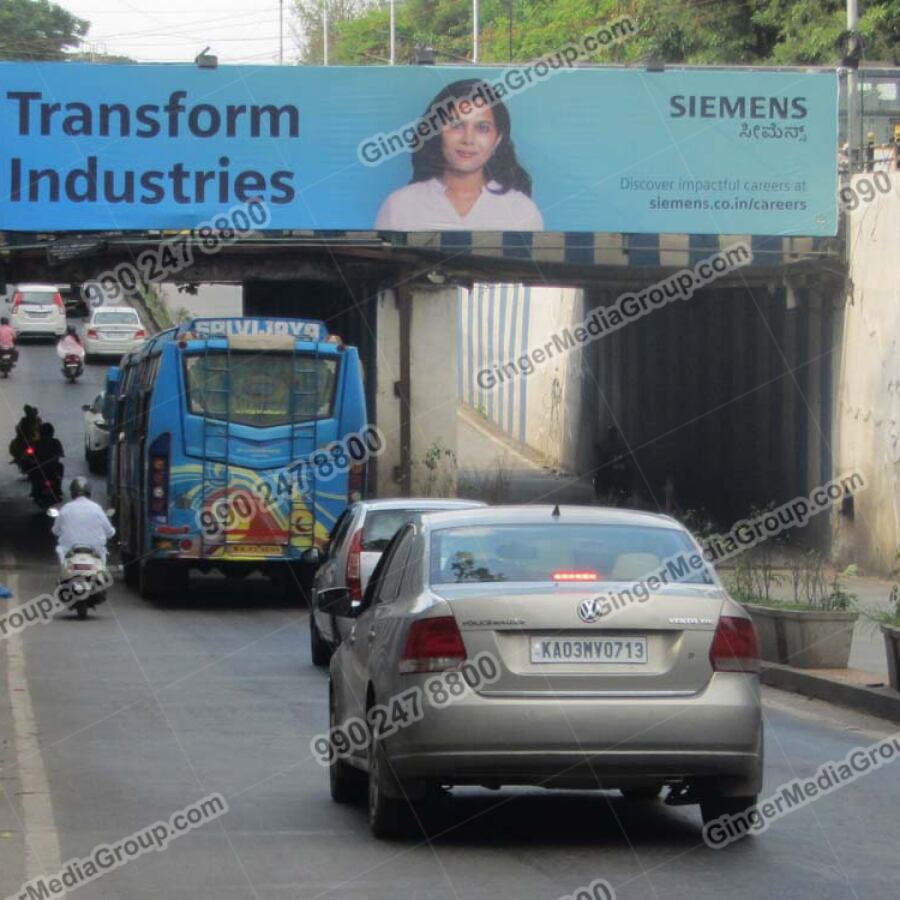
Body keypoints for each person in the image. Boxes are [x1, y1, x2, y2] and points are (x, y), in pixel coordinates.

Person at [374, 79, 544, 231]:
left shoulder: (522, 211)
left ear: (497, 139)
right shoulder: (399, 206)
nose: (468, 139)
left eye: (482, 128)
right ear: (437, 132)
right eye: (456, 125)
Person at [51, 477, 115, 566]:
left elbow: (55, 530)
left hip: (69, 553)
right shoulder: (96, 508)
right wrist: (112, 531)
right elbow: (109, 531)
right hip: (95, 552)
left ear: (72, 492)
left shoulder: (65, 508)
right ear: (89, 493)